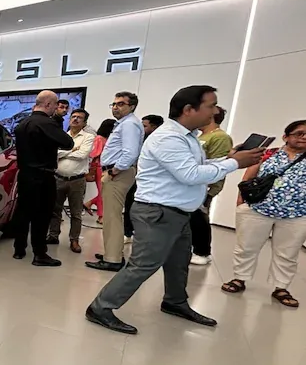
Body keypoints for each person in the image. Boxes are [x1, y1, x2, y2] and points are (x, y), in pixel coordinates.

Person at [85, 85, 263, 335]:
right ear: (189, 109)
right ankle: (100, 307)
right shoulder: (168, 137)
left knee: (179, 263)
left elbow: (193, 165)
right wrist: (234, 163)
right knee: (143, 265)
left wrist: (228, 159)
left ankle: (175, 302)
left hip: (178, 212)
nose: (214, 111)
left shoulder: (187, 137)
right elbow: (190, 174)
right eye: (210, 106)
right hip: (157, 213)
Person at [221, 120, 306, 308]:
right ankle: (239, 279)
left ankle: (281, 287)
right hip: (258, 209)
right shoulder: (268, 153)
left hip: (297, 214)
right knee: (246, 248)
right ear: (286, 136)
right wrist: (241, 202)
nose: (304, 137)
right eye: (299, 133)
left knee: (288, 253)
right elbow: (249, 176)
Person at [11, 90, 74, 266]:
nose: (57, 108)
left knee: (23, 212)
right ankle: (40, 254)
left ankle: (19, 249)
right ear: (47, 104)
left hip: (24, 175)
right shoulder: (47, 123)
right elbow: (68, 143)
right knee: (42, 215)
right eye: (55, 105)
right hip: (43, 176)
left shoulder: (22, 123)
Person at [86, 92, 144, 272]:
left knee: (112, 217)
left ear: (131, 106)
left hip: (118, 173)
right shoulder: (126, 124)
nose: (116, 107)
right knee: (112, 217)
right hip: (117, 172)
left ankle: (113, 259)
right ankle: (112, 253)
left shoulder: (130, 125)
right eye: (114, 104)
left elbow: (130, 152)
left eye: (120, 104)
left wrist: (114, 171)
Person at [47, 109, 94, 253]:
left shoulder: (88, 137)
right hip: (58, 178)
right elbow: (54, 154)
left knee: (76, 213)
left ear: (84, 122)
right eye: (73, 116)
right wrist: (73, 149)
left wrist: (65, 153)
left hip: (77, 180)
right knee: (55, 210)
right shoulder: (62, 136)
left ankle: (74, 240)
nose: (75, 119)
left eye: (79, 118)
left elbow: (82, 154)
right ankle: (53, 235)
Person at [190, 107, 232, 266]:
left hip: (205, 186)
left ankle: (202, 251)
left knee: (199, 218)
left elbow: (219, 163)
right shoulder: (202, 136)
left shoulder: (220, 137)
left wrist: (211, 189)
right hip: (194, 184)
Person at [122, 114, 165, 244]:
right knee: (129, 205)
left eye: (144, 126)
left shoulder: (161, 142)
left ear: (155, 127)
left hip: (153, 181)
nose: (141, 128)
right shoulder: (139, 139)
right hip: (136, 177)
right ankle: (127, 232)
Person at [84, 119, 116, 225]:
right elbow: (94, 154)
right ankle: (101, 216)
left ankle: (90, 203)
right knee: (103, 192)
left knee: (104, 192)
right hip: (99, 167)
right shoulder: (99, 138)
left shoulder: (107, 138)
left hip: (106, 167)